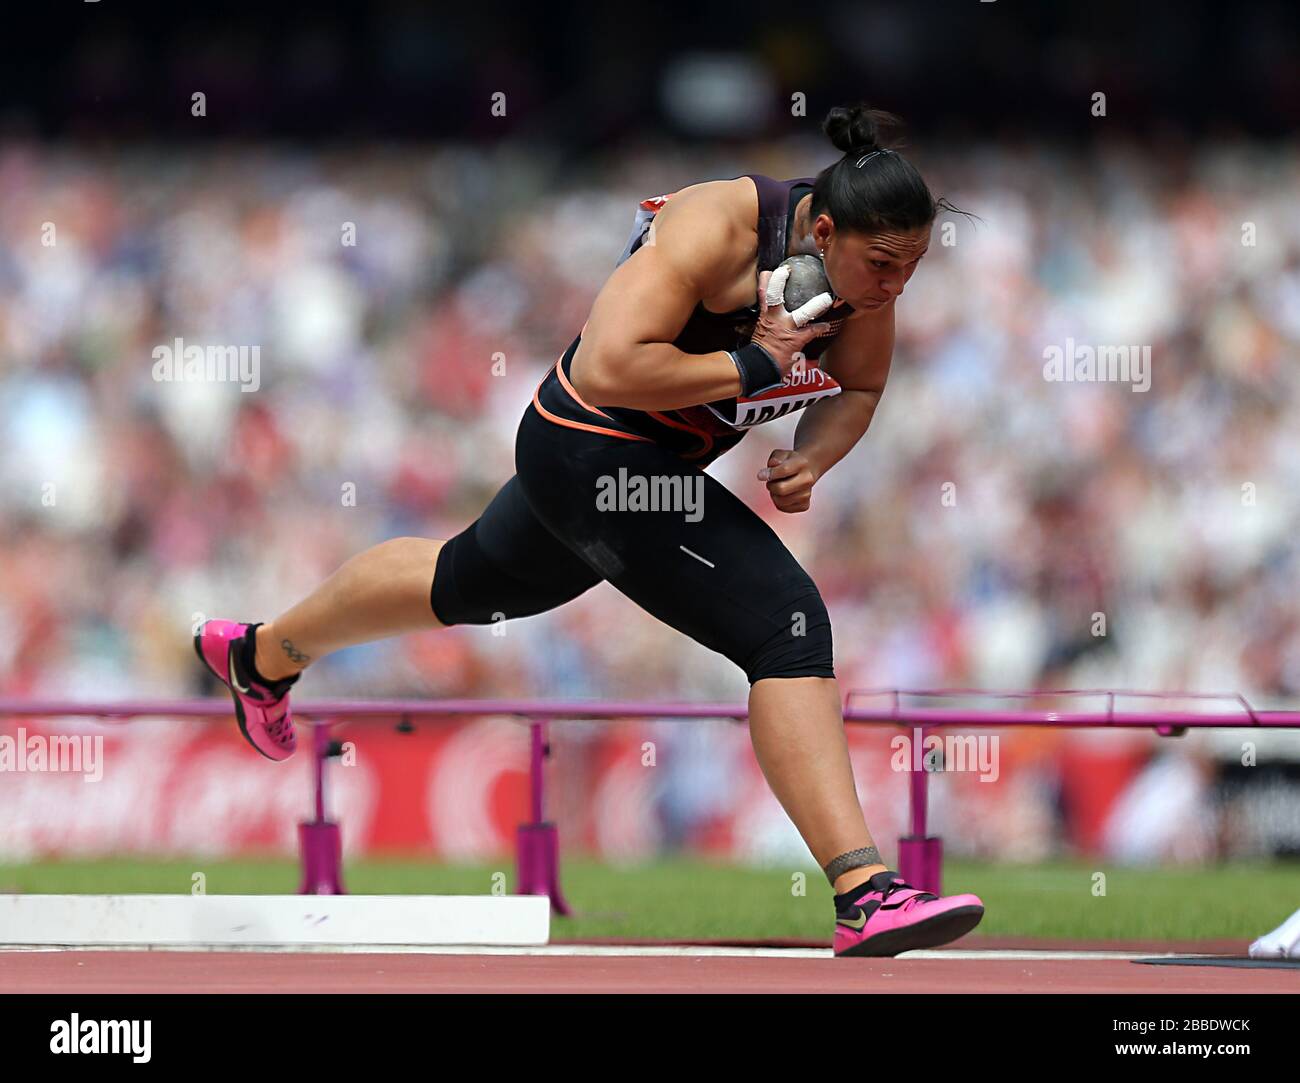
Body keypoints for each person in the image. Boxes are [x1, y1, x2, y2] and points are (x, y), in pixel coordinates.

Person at [194, 103, 985, 956]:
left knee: (464, 581)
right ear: (823, 231)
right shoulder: (714, 225)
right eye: (882, 265)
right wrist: (755, 362)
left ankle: (260, 654)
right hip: (588, 447)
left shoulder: (865, 273)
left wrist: (815, 455)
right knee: (785, 625)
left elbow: (860, 388)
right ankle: (864, 890)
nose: (894, 287)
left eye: (912, 267)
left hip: (629, 465)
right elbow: (610, 362)